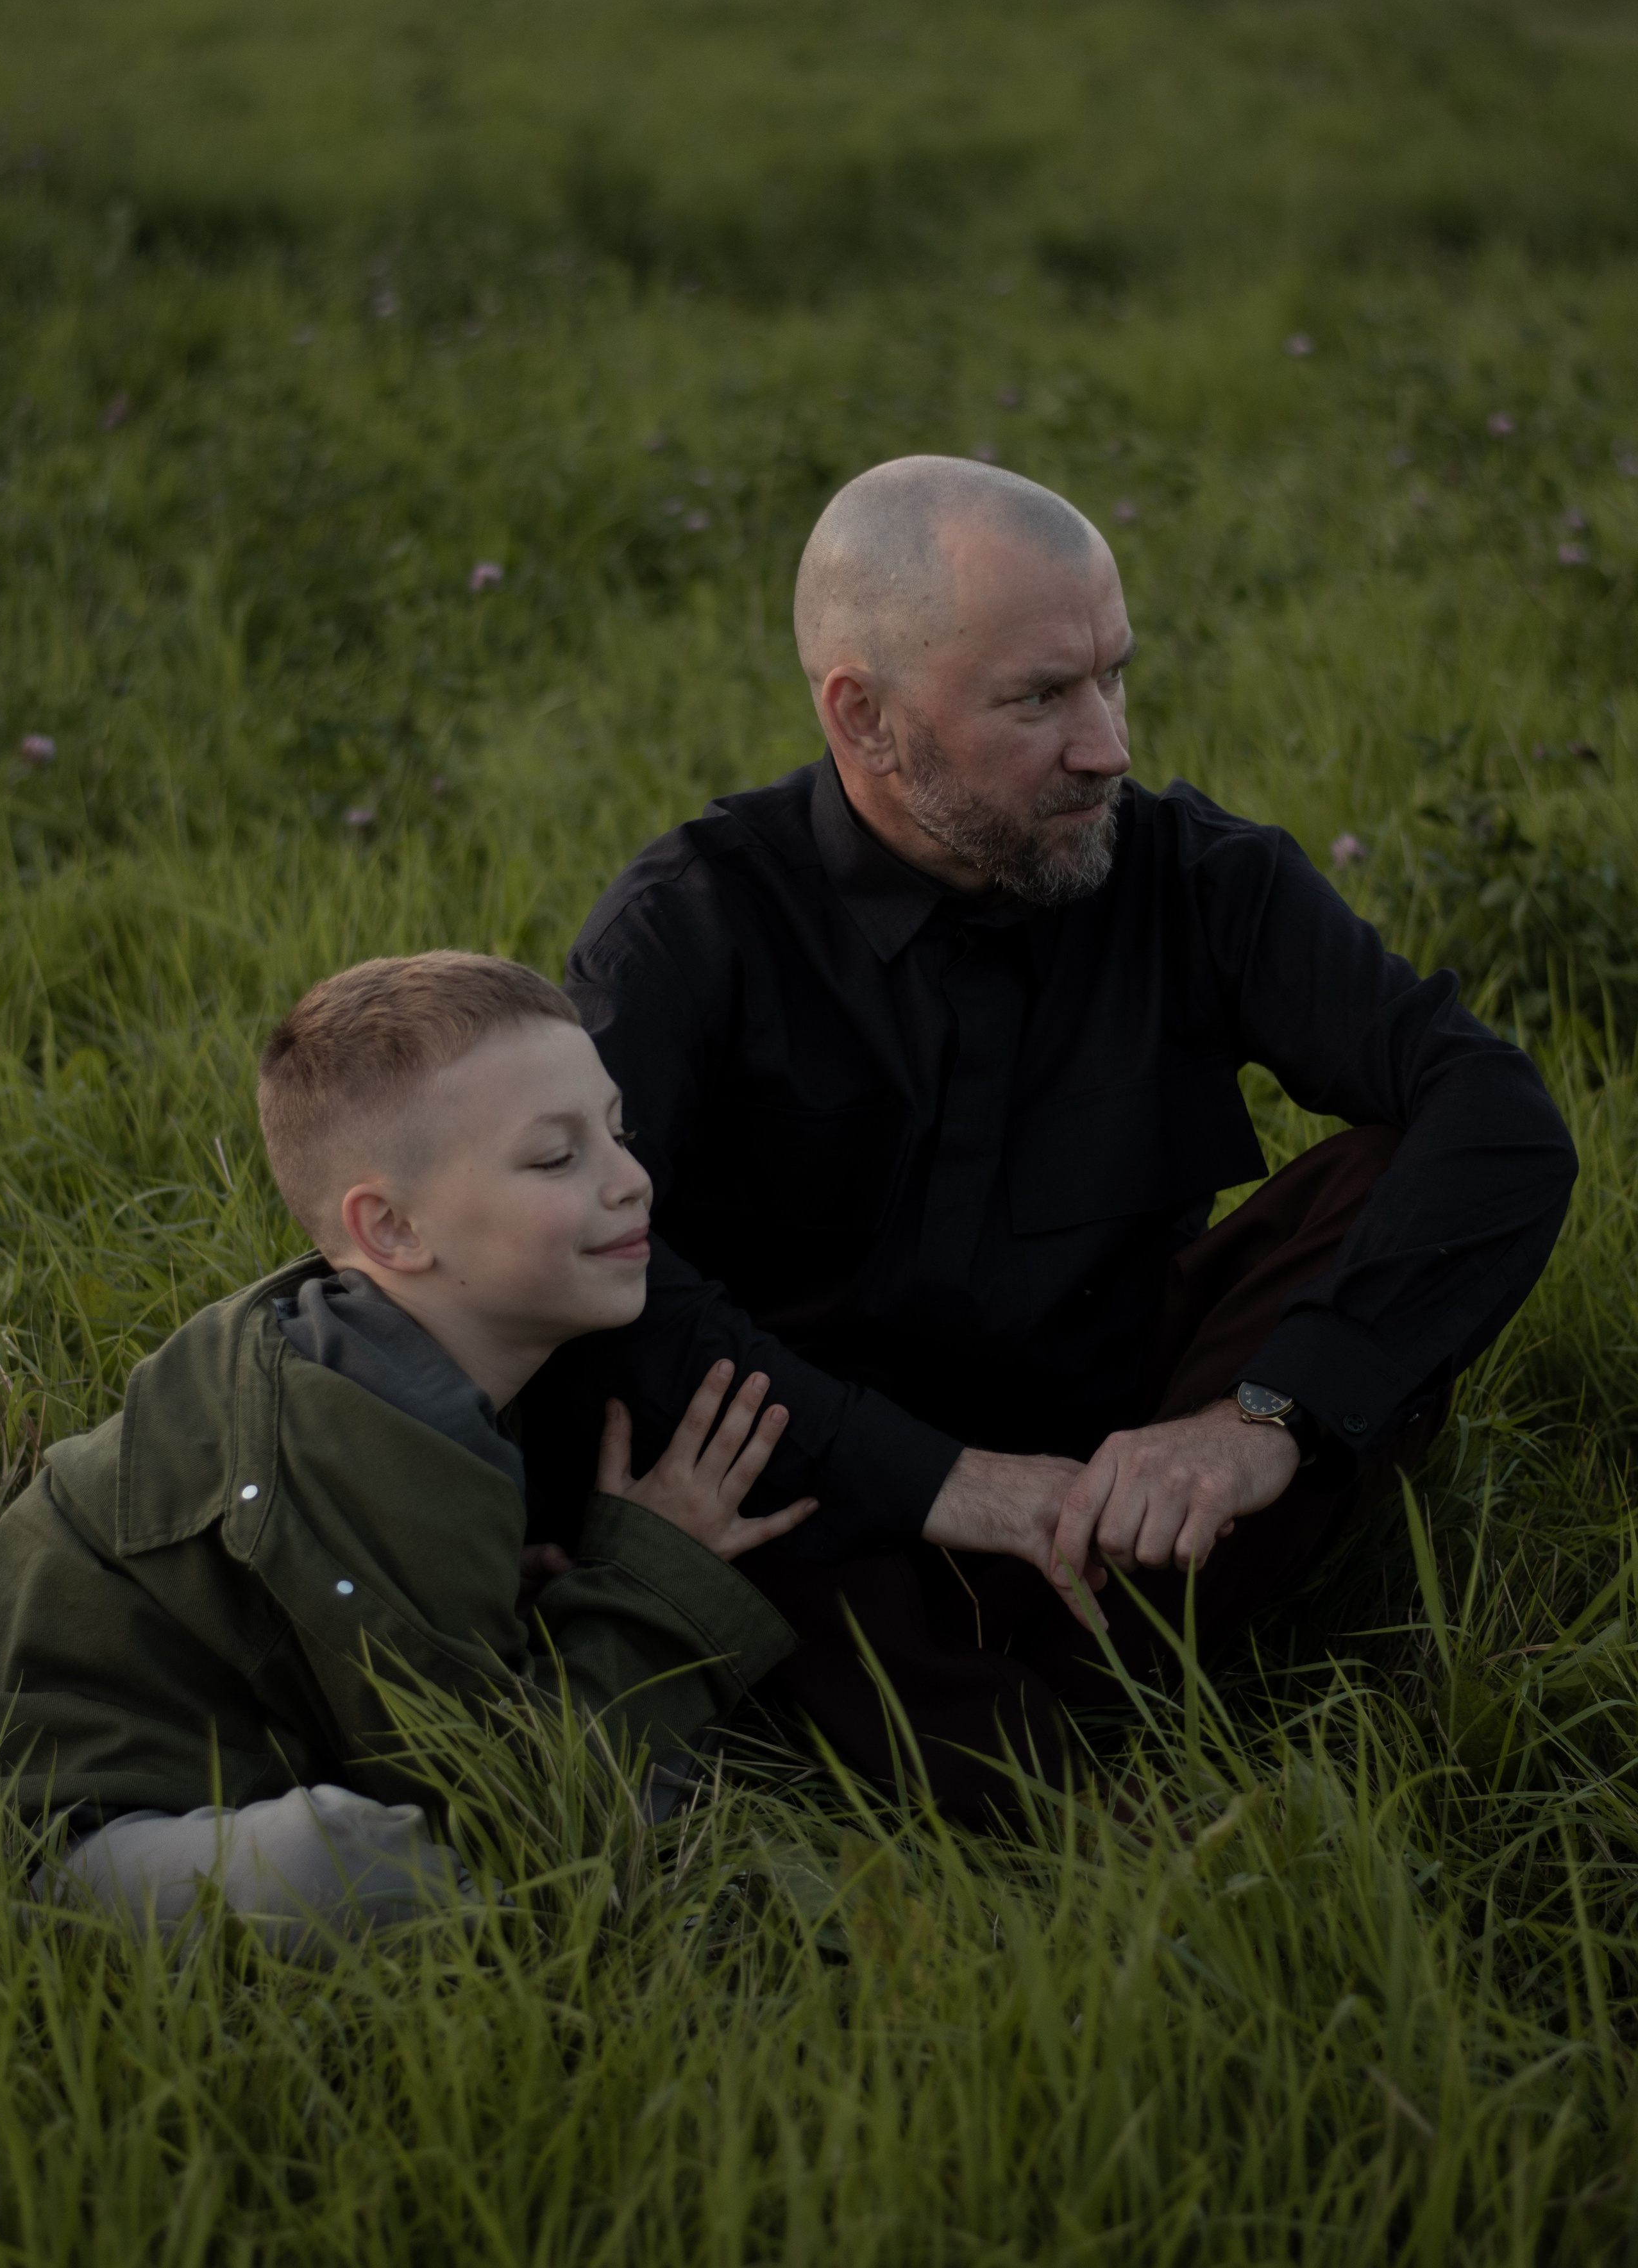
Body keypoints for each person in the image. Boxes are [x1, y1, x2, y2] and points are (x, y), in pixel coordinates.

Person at [527, 453, 1579, 1824]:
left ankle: (992, 1713)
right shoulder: (692, 928)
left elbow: (1499, 1118)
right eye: (1038, 699)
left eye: (1111, 677)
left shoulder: (1197, 880)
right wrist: (936, 1484)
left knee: (1400, 1175)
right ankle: (1046, 1756)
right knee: (636, 1361)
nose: (1108, 746)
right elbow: (587, 1263)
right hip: (829, 1492)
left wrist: (1261, 1422)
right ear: (864, 718)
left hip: (1128, 1473)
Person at [0, 951, 811, 1941]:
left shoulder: (397, 1359)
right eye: (557, 1158)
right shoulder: (351, 1429)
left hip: (226, 1752)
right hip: (68, 1822)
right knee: (356, 1868)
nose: (634, 1180)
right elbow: (505, 1804)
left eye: (618, 1130)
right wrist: (657, 1585)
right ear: (390, 1227)